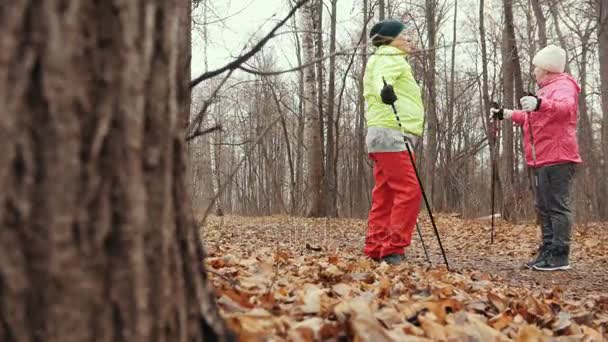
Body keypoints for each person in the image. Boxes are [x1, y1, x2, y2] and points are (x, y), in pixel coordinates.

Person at [491, 44, 581, 271]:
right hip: (541, 157)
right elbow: (535, 118)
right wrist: (508, 114)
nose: (534, 72)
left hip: (558, 157)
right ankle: (548, 250)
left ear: (547, 69)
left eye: (537, 68)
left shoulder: (563, 85)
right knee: (544, 207)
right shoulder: (545, 89)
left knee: (556, 207)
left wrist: (540, 104)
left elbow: (567, 108)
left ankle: (560, 255)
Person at [362, 19, 424, 265]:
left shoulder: (382, 57)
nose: (408, 39)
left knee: (386, 194)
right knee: (410, 191)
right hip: (392, 132)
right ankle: (392, 249)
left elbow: (380, 76)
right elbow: (382, 79)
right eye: (403, 35)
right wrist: (384, 91)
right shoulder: (389, 57)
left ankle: (376, 246)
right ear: (390, 40)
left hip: (383, 133)